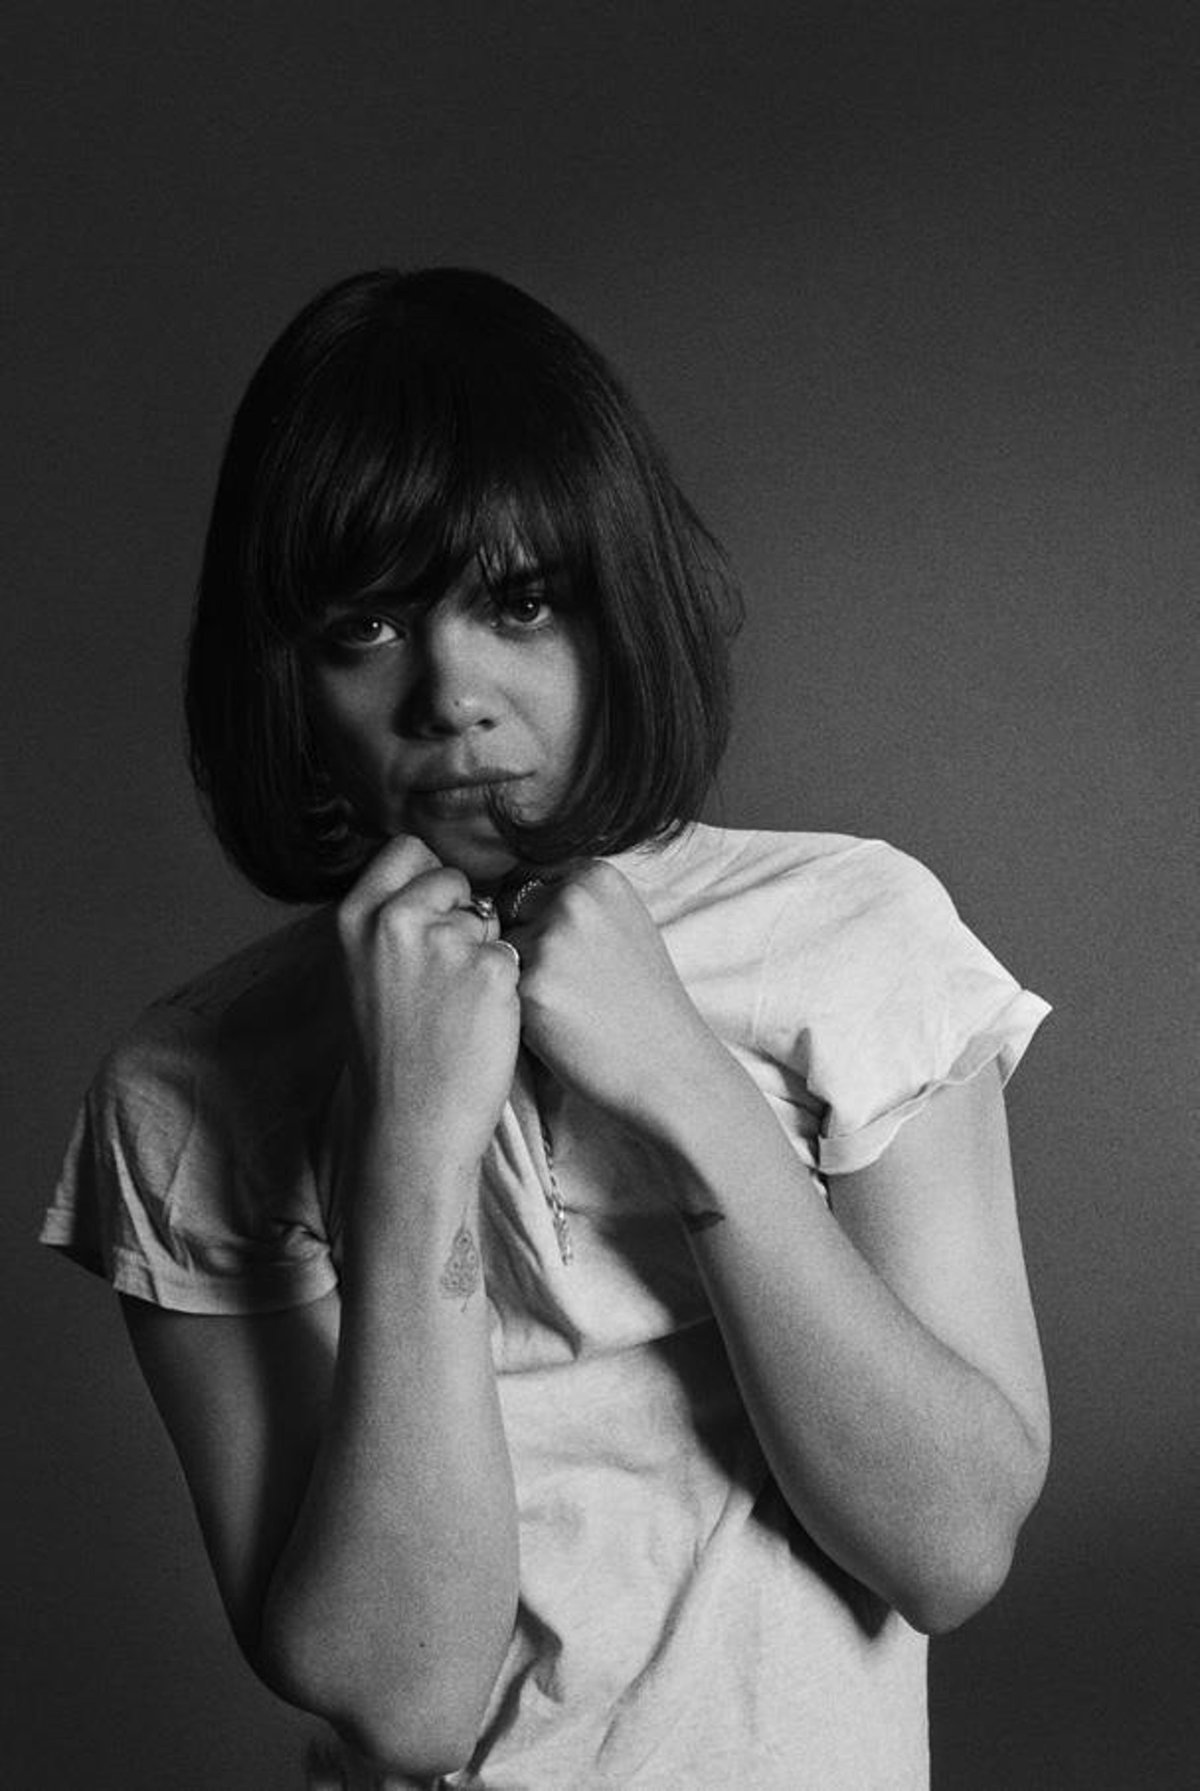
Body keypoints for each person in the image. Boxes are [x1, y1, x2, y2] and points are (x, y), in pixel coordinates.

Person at [41, 267, 1051, 1790]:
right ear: (287, 676)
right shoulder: (186, 1090)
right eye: (365, 626)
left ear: (616, 604)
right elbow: (408, 1702)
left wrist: (683, 1083)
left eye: (519, 602)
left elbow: (950, 1550)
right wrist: (414, 1144)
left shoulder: (856, 939)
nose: (452, 694)